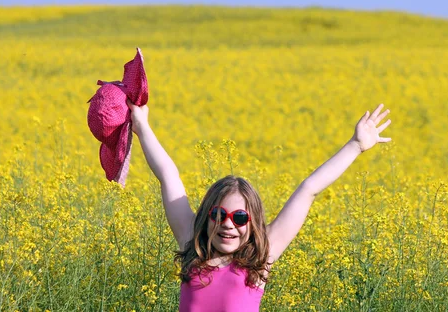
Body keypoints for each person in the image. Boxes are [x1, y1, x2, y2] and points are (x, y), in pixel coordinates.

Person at [126, 99, 391, 311]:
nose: (228, 224)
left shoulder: (259, 263)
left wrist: (355, 146)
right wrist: (142, 127)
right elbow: (168, 175)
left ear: (252, 224)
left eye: (240, 218)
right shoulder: (191, 251)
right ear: (207, 218)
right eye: (219, 214)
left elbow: (308, 190)